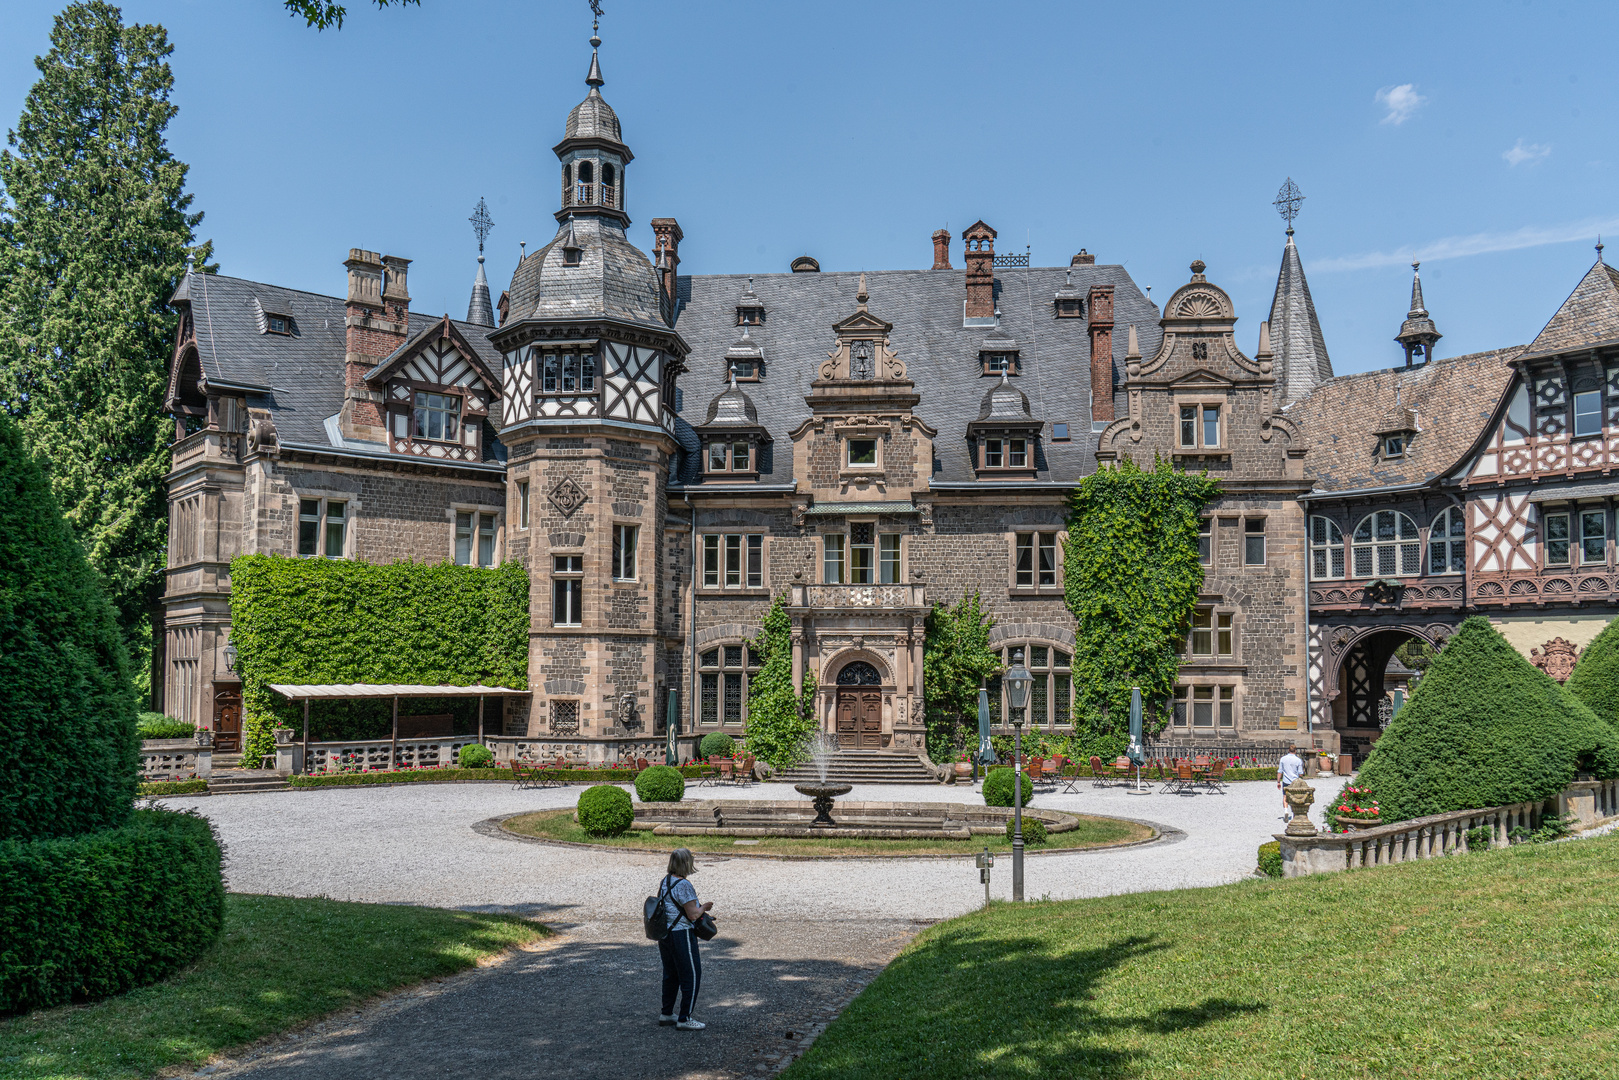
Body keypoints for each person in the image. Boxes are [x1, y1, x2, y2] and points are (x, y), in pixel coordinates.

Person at [656, 848, 712, 1030]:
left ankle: (666, 1013)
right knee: (691, 975)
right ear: (686, 864)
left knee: (671, 974)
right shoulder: (684, 885)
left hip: (665, 933)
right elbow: (694, 914)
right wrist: (705, 907)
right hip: (681, 934)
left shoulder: (666, 881)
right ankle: (684, 1018)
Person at [1277, 745, 1305, 821]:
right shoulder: (1298, 760)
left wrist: (1278, 782)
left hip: (1286, 780)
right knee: (1294, 797)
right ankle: (1293, 814)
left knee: (1285, 796)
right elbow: (1300, 773)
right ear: (1295, 751)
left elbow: (1280, 772)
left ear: (1288, 750)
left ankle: (1286, 811)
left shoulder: (1283, 759)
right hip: (1294, 781)